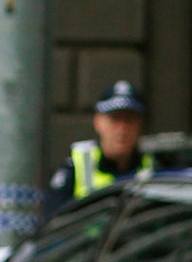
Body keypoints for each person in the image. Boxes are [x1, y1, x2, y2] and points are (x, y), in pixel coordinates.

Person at [43, 80, 151, 216]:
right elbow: (53, 220)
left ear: (140, 124)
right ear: (98, 122)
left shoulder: (153, 167)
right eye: (115, 119)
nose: (122, 129)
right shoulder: (77, 163)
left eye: (129, 120)